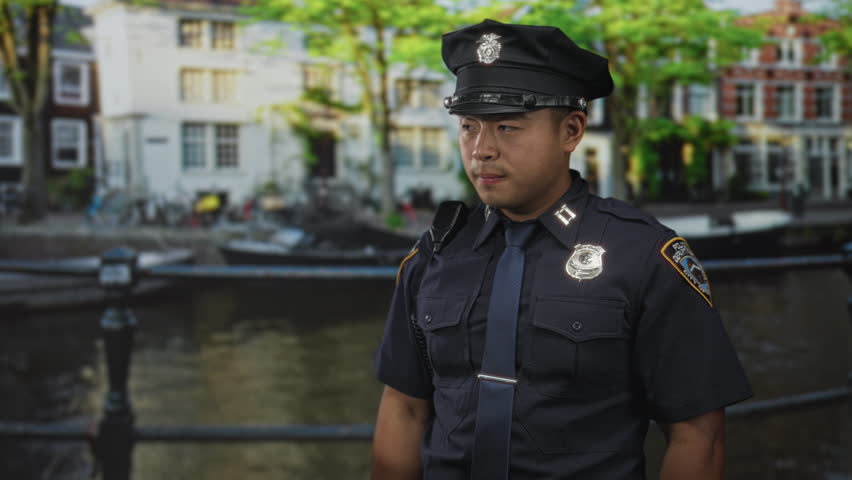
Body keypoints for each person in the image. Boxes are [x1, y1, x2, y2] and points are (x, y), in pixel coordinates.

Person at [371, 19, 752, 480]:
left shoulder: (644, 256)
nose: (481, 150)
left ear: (571, 132)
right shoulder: (436, 254)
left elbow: (697, 436)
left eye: (507, 127)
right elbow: (405, 409)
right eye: (469, 127)